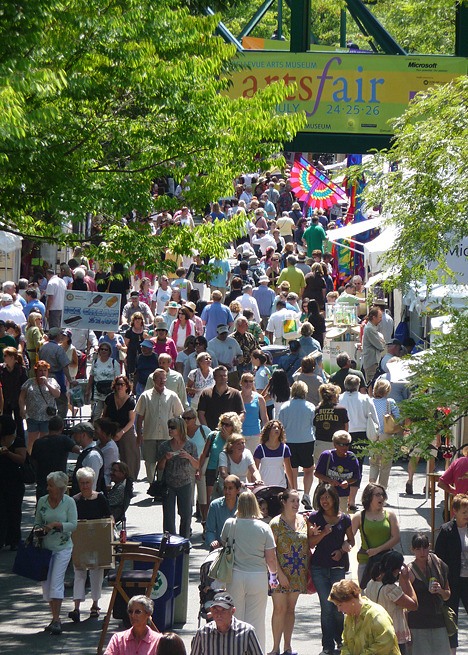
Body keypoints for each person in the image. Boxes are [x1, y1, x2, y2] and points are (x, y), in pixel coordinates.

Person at [221, 490, 279, 653]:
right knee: (257, 620)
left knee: (235, 619)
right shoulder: (264, 528)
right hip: (257, 577)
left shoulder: (230, 524)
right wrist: (273, 576)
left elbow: (224, 545)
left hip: (235, 575)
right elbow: (271, 558)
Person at [309, 484, 355, 655]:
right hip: (319, 567)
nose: (324, 501)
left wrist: (342, 550)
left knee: (339, 605)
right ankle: (327, 645)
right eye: (321, 498)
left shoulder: (345, 519)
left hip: (338, 567)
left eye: (327, 497)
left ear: (334, 499)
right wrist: (323, 533)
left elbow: (351, 540)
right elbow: (310, 543)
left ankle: (341, 640)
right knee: (327, 606)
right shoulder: (314, 518)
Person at [34, 470, 78, 635]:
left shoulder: (69, 502)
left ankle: (57, 619)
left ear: (60, 488)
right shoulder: (42, 501)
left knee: (56, 582)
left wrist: (55, 525)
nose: (48, 488)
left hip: (63, 547)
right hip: (45, 548)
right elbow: (37, 522)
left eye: (51, 485)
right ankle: (54, 617)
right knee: (46, 584)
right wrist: (39, 530)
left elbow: (73, 525)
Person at [269, 489, 310, 655]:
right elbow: (270, 551)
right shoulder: (275, 524)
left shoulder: (303, 521)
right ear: (284, 502)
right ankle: (275, 648)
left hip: (298, 571)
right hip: (279, 573)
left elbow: (308, 544)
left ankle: (287, 646)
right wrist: (279, 574)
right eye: (292, 501)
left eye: (298, 501)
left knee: (291, 609)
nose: (296, 504)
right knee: (279, 609)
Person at [69, 467, 111, 622]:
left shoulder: (100, 498)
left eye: (87, 482)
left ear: (92, 482)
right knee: (79, 573)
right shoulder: (74, 500)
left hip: (96, 541)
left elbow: (109, 517)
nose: (85, 486)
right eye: (82, 483)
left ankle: (95, 605)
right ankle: (76, 607)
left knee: (96, 574)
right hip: (80, 542)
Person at [365, 550, 418, 655]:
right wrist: (407, 580)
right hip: (393, 634)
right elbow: (414, 605)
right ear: (397, 570)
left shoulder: (371, 583)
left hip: (376, 633)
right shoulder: (391, 589)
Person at [135, 368, 184, 481]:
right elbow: (140, 417)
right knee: (150, 463)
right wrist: (139, 434)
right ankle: (152, 485)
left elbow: (178, 416)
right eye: (159, 378)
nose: (162, 381)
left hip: (167, 436)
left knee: (165, 463)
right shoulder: (145, 396)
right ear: (153, 380)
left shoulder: (172, 395)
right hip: (149, 436)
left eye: (164, 378)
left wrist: (179, 434)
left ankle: (162, 485)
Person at [328, 579, 400, 655]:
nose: (339, 610)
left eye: (339, 605)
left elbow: (386, 643)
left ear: (351, 601)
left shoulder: (377, 616)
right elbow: (345, 643)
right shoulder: (350, 618)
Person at [435, 494, 468, 655]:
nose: (467, 515)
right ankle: (451, 651)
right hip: (452, 581)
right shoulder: (446, 530)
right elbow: (438, 559)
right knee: (451, 618)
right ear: (455, 511)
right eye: (464, 512)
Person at [339, 374, 378, 510]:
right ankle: (352, 500)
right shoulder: (365, 399)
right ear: (358, 385)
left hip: (343, 434)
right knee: (357, 466)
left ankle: (343, 498)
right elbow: (374, 418)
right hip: (361, 435)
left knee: (342, 465)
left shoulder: (340, 398)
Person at [407, 532, 451, 655]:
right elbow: (405, 604)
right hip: (417, 624)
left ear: (429, 547)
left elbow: (447, 595)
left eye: (425, 548)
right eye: (418, 549)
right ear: (412, 550)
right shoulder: (409, 572)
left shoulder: (438, 565)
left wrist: (440, 591)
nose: (422, 552)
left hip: (438, 621)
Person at [351, 483, 401, 586]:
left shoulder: (390, 515)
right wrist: (345, 546)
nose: (381, 498)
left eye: (383, 495)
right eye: (377, 495)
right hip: (366, 561)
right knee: (366, 592)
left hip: (386, 562)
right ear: (369, 497)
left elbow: (396, 538)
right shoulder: (359, 516)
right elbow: (349, 537)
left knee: (386, 592)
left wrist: (377, 550)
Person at [157, 416, 198, 538]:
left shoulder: (190, 445)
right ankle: (169, 540)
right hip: (169, 483)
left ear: (180, 429)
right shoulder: (164, 446)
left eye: (173, 427)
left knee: (186, 514)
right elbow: (159, 467)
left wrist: (188, 457)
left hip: (185, 483)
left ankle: (184, 540)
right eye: (169, 427)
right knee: (168, 515)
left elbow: (197, 465)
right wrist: (165, 458)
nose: (170, 430)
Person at [278, 381, 315, 510]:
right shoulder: (310, 406)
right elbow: (313, 425)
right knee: (308, 469)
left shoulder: (285, 407)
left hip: (290, 441)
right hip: (306, 441)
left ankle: (294, 495)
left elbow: (281, 425)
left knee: (292, 470)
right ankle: (306, 494)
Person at [190, 591, 263, 655]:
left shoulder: (247, 632)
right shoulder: (203, 633)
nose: (219, 614)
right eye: (215, 610)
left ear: (232, 611)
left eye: (223, 610)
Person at [31, 415, 80, 499]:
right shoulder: (64, 440)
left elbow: (33, 461)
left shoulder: (38, 442)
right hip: (59, 480)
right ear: (61, 428)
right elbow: (77, 450)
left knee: (42, 504)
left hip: (43, 480)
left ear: (48, 427)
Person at [103, 374, 140, 481]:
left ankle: (130, 479)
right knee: (108, 452)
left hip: (126, 429)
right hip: (111, 428)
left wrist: (121, 432)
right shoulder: (109, 398)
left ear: (126, 386)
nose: (119, 387)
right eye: (118, 384)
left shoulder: (130, 401)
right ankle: (108, 479)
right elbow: (104, 415)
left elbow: (131, 420)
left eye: (122, 384)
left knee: (129, 453)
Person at [199, 412, 243, 503]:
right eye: (222, 423)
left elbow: (236, 453)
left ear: (233, 426)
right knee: (212, 500)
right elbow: (204, 454)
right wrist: (198, 469)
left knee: (229, 500)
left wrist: (228, 439)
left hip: (229, 471)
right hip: (212, 471)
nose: (224, 427)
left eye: (227, 425)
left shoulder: (236, 439)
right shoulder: (213, 435)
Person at [19, 359, 61, 453]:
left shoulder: (52, 381)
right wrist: (22, 409)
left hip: (47, 417)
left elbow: (57, 394)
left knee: (44, 440)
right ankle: (30, 457)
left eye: (45, 370)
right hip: (32, 416)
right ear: (36, 372)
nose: (43, 372)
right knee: (32, 440)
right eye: (40, 370)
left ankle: (43, 456)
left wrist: (47, 384)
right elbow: (21, 397)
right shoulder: (29, 382)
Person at [315, 431, 361, 513]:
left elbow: (356, 477)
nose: (345, 447)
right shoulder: (327, 456)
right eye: (342, 444)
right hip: (327, 494)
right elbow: (317, 473)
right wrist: (330, 481)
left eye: (347, 444)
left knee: (341, 516)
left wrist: (347, 482)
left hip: (343, 495)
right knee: (325, 515)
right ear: (335, 444)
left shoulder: (352, 458)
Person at [368, 379, 401, 490]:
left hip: (373, 435)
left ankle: (371, 487)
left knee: (374, 463)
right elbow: (398, 418)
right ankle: (381, 489)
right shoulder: (390, 402)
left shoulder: (369, 401)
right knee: (385, 465)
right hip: (387, 435)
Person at [0, 414, 26, 551]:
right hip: (2, 480)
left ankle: (14, 539)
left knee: (14, 511)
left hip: (14, 481)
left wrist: (8, 453)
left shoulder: (17, 441)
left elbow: (22, 459)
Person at [197, 365, 244, 430]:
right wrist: (207, 430)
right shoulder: (206, 393)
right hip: (211, 431)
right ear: (214, 377)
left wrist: (234, 426)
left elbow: (242, 413)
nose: (223, 378)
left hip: (230, 432)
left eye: (225, 376)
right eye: (220, 376)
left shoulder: (235, 393)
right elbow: (201, 413)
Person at [313, 383, 349, 464]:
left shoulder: (317, 410)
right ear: (334, 396)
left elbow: (315, 426)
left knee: (321, 469)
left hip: (320, 443)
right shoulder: (341, 410)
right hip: (337, 444)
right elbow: (346, 429)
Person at [86, 341, 120, 421]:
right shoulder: (95, 362)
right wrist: (88, 390)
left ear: (109, 351)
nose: (104, 351)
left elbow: (118, 379)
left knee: (108, 415)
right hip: (97, 393)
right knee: (95, 414)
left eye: (106, 349)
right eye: (102, 349)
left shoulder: (114, 363)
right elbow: (91, 377)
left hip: (110, 393)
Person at [254, 419, 293, 489]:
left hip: (280, 486)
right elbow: (255, 470)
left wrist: (293, 487)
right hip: (264, 487)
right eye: (274, 427)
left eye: (278, 428)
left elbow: (288, 470)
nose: (277, 429)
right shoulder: (260, 449)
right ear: (268, 431)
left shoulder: (285, 448)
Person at [0, 346, 28, 444]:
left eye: (5, 356)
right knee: (5, 424)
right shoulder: (1, 369)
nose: (3, 357)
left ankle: (20, 445)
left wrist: (23, 405)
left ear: (12, 357)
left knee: (19, 424)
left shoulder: (21, 369)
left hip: (17, 400)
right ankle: (5, 444)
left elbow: (25, 387)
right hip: (5, 401)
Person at [205, 474, 241, 549]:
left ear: (238, 490)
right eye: (225, 488)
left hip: (239, 549)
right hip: (219, 548)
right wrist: (212, 541)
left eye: (230, 488)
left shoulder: (243, 506)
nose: (227, 491)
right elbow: (209, 530)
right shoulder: (214, 505)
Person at [70, 421, 105, 494]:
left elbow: (92, 484)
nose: (73, 436)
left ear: (83, 435)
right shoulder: (87, 452)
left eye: (76, 433)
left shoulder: (92, 456)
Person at [239, 372, 268, 454]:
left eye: (251, 381)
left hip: (255, 434)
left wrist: (265, 433)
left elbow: (264, 418)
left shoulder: (259, 398)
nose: (248, 383)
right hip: (239, 434)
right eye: (246, 381)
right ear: (241, 382)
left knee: (254, 459)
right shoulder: (236, 396)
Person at [361, 307, 386, 383]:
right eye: (380, 317)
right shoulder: (370, 329)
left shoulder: (372, 328)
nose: (381, 319)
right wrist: (382, 342)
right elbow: (380, 346)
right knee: (371, 384)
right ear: (374, 317)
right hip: (371, 362)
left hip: (373, 361)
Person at [94, 418, 120, 487]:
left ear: (103, 432)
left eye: (96, 428)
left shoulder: (110, 448)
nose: (94, 430)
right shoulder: (99, 442)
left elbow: (103, 468)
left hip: (103, 480)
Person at [124, 311, 146, 379]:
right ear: (133, 320)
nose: (137, 320)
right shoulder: (129, 331)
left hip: (143, 355)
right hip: (131, 355)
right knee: (131, 374)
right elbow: (125, 345)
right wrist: (125, 357)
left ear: (142, 320)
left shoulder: (145, 331)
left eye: (139, 318)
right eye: (135, 318)